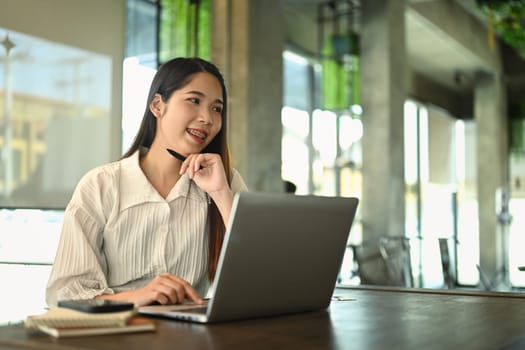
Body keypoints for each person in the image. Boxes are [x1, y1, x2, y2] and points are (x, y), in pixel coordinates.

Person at [46, 57, 247, 307]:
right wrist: (136, 297)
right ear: (157, 105)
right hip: (115, 337)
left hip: (190, 339)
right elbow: (65, 293)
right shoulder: (101, 185)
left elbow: (258, 276)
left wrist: (220, 193)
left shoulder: (225, 182)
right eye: (194, 101)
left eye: (217, 108)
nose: (207, 118)